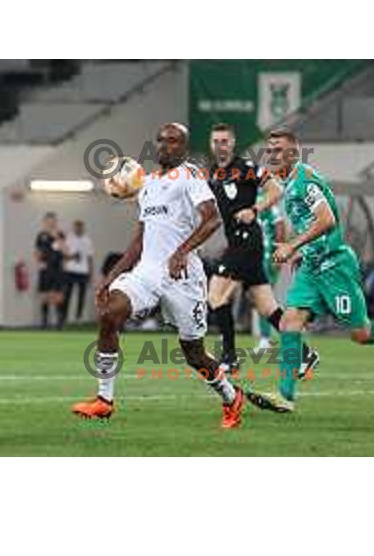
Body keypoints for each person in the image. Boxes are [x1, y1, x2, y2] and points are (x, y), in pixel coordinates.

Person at [246, 129, 374, 414]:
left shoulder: (303, 181)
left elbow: (327, 220)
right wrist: (300, 251)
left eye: (278, 149)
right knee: (289, 322)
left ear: (294, 152)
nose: (272, 154)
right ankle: (286, 396)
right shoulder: (287, 183)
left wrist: (292, 244)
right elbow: (311, 223)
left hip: (335, 267)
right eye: (269, 150)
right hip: (313, 266)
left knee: (363, 333)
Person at [72, 122, 245, 429]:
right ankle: (104, 400)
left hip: (184, 278)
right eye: (161, 141)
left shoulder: (190, 176)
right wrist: (110, 277)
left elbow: (212, 219)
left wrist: (180, 252)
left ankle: (231, 398)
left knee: (194, 354)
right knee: (110, 315)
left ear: (185, 147)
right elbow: (140, 240)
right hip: (148, 273)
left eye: (173, 141)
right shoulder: (146, 184)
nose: (165, 146)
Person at [206, 123, 318, 375]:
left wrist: (254, 210)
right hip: (238, 243)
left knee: (215, 296)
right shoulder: (213, 173)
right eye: (215, 141)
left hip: (248, 242)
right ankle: (303, 354)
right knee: (267, 307)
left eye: (224, 141)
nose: (220, 146)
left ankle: (229, 356)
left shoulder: (244, 168)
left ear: (232, 143)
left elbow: (276, 190)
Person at [254, 188, 286, 349]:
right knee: (261, 299)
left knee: (264, 300)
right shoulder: (256, 201)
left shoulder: (267, 205)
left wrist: (277, 257)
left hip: (265, 259)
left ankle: (268, 337)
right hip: (253, 259)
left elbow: (280, 229)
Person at [34, 212, 66, 329]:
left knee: (58, 296)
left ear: (56, 222)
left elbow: (65, 251)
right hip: (45, 269)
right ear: (45, 222)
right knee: (45, 296)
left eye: (53, 221)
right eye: (48, 221)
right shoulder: (41, 235)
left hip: (57, 269)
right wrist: (38, 262)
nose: (51, 223)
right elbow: (37, 251)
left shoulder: (60, 234)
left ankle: (59, 323)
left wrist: (56, 236)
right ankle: (44, 322)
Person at [62, 220, 94, 323]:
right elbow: (64, 254)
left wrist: (90, 273)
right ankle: (64, 317)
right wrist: (69, 260)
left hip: (83, 271)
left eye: (80, 227)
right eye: (76, 227)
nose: (78, 229)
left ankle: (78, 317)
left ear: (83, 228)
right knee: (67, 294)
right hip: (70, 270)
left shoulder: (87, 240)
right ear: (73, 227)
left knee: (82, 295)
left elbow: (90, 258)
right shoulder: (68, 239)